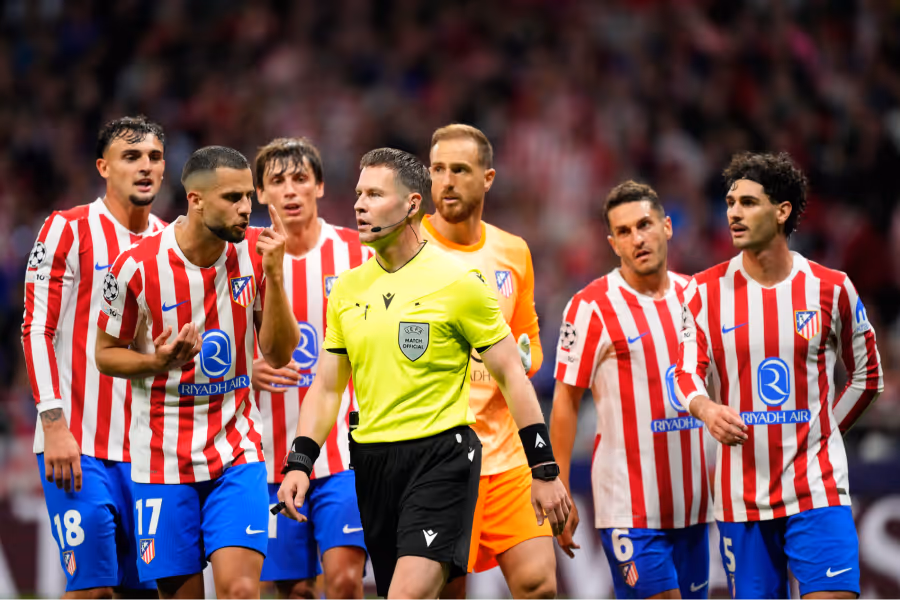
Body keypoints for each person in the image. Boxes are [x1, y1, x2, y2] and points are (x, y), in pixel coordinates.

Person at [276, 148, 571, 600]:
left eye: (374, 195)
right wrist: (300, 461)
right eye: (358, 194)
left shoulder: (459, 283)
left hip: (441, 458)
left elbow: (513, 375)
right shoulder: (348, 289)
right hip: (372, 465)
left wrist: (544, 468)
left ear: (413, 204)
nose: (359, 205)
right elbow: (328, 387)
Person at [94, 146, 300, 600]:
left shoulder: (256, 253)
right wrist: (157, 362)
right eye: (232, 197)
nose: (246, 208)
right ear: (196, 200)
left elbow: (278, 353)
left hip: (237, 449)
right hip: (162, 459)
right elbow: (105, 355)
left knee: (241, 590)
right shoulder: (135, 266)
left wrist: (276, 276)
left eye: (248, 197)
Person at [675, 152, 883, 600]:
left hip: (817, 487)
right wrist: (705, 408)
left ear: (782, 210)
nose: (733, 213)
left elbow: (868, 375)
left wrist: (825, 431)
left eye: (748, 202)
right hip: (741, 495)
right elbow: (684, 372)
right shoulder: (703, 291)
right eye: (730, 203)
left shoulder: (832, 288)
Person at [22, 115, 166, 599]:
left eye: (154, 157)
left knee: (145, 592)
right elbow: (36, 329)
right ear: (103, 167)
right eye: (131, 157)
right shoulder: (67, 229)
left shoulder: (171, 242)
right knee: (94, 591)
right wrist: (53, 424)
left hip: (151, 454)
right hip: (78, 443)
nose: (145, 166)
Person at [549, 181, 713, 600]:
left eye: (644, 225)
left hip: (694, 504)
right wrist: (559, 488)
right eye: (623, 231)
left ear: (667, 226)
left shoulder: (698, 296)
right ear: (613, 243)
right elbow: (566, 401)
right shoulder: (591, 306)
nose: (637, 238)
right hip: (628, 506)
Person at [421, 124, 554, 600]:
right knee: (445, 593)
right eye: (438, 169)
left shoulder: (513, 251)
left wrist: (518, 357)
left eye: (460, 170)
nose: (447, 181)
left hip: (506, 455)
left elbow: (530, 344)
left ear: (488, 178)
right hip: (436, 457)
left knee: (539, 585)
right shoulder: (407, 249)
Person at [252, 138, 370, 600]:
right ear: (260, 193)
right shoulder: (244, 255)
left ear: (319, 186)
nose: (290, 190)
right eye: (277, 181)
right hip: (269, 453)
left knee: (344, 580)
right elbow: (217, 332)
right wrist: (247, 368)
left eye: (300, 178)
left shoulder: (358, 253)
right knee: (295, 590)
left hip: (344, 450)